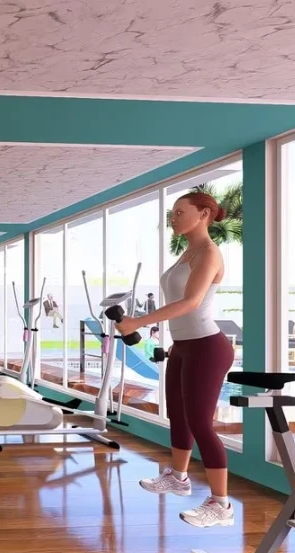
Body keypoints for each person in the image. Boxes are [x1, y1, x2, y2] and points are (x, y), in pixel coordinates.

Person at [114, 190, 236, 529]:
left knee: (200, 423)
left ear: (204, 214)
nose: (173, 218)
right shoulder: (188, 252)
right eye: (173, 213)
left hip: (207, 347)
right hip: (183, 346)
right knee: (178, 417)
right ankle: (179, 478)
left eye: (180, 212)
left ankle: (221, 505)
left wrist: (139, 322)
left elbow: (191, 303)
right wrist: (173, 342)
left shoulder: (209, 253)